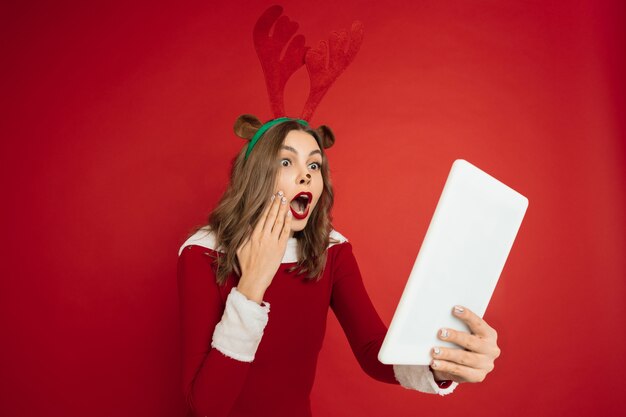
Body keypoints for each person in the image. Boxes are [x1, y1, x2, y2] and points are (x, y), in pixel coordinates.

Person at [176, 115, 501, 417]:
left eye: (314, 165)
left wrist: (441, 368)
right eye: (287, 161)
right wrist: (252, 286)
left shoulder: (332, 251)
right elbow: (206, 405)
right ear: (255, 174)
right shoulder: (202, 253)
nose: (306, 174)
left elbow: (374, 351)